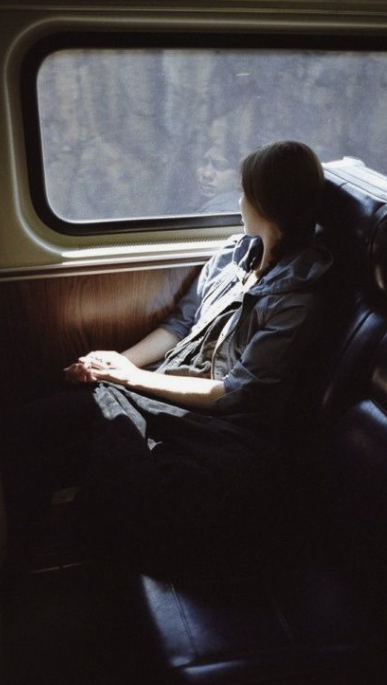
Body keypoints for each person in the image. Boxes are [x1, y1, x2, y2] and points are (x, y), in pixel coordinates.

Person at [3, 141, 332, 573]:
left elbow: (234, 395)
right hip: (165, 387)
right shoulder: (233, 255)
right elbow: (180, 325)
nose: (239, 200)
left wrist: (129, 379)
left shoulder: (297, 299)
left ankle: (27, 570)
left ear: (267, 204)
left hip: (214, 420)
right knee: (30, 418)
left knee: (68, 439)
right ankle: (21, 562)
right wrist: (114, 361)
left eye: (245, 192)